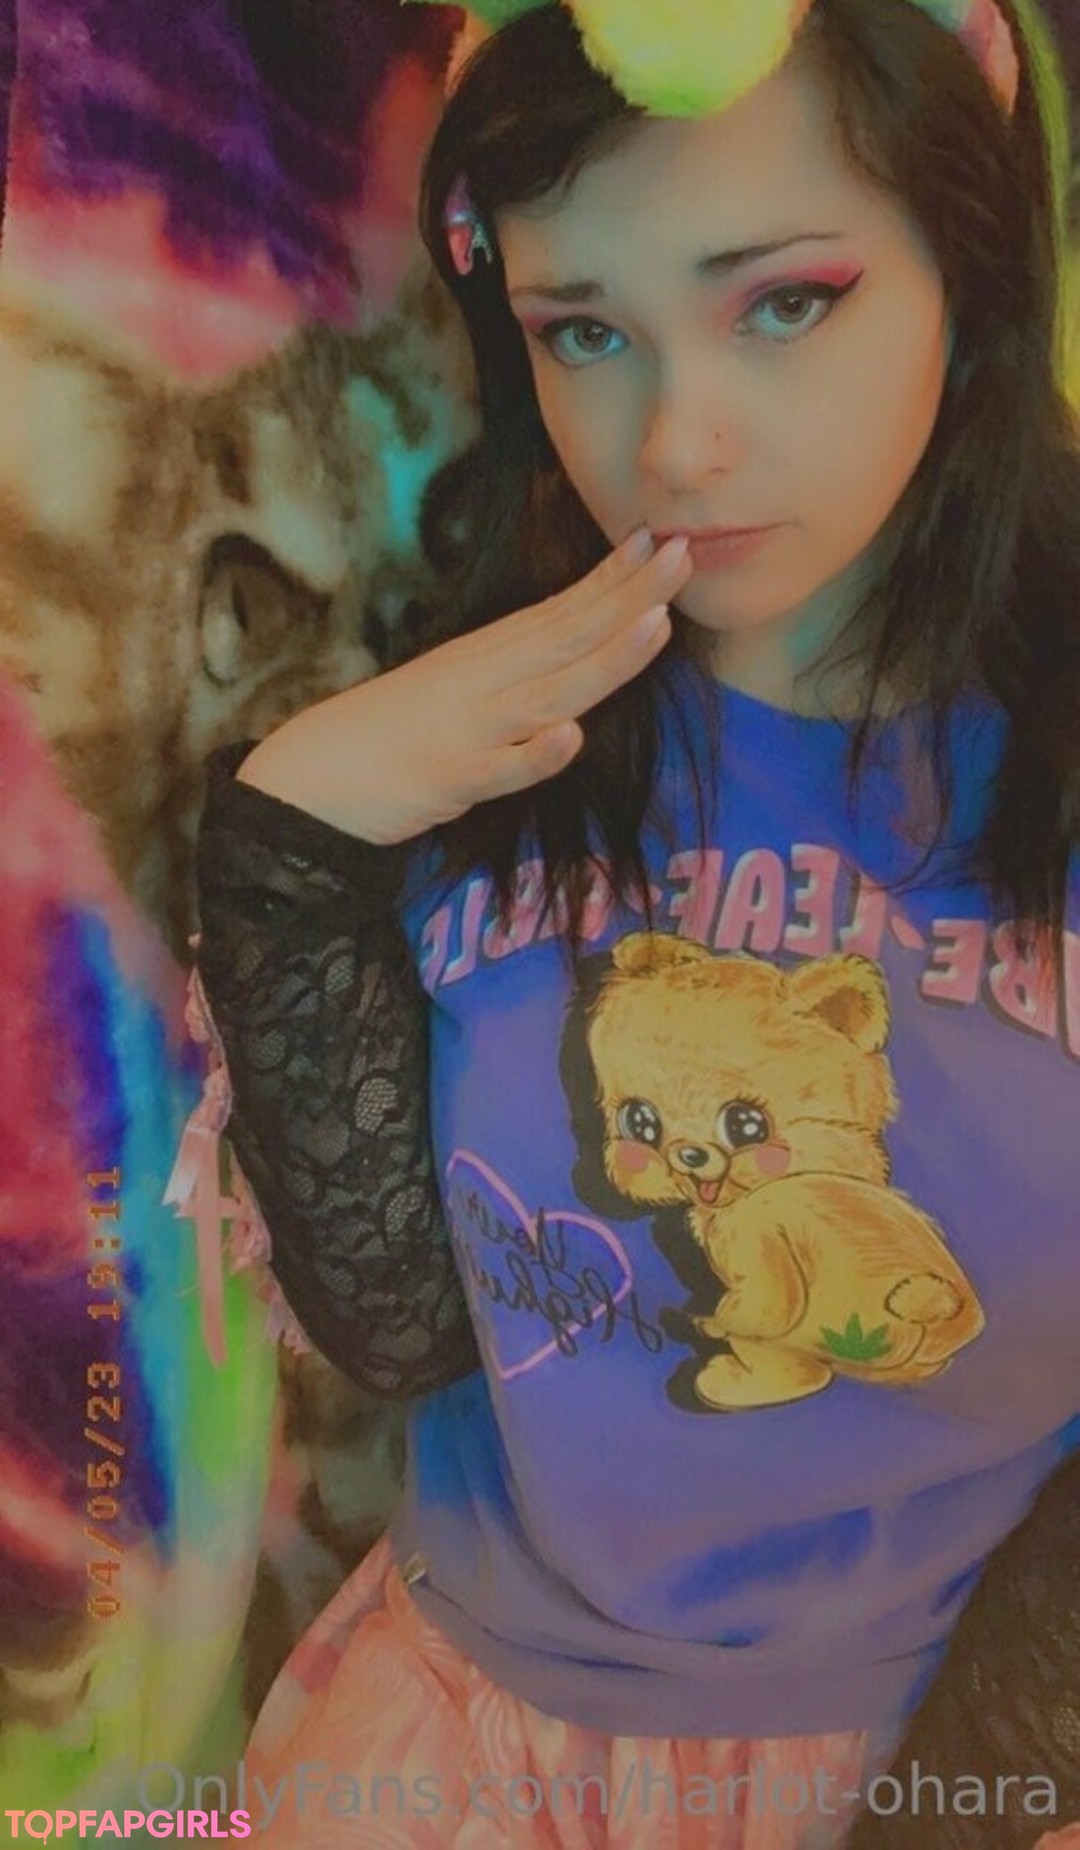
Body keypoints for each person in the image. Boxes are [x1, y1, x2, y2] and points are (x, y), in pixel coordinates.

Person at [181, 0, 1080, 1842]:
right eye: (583, 329)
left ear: (973, 263)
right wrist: (294, 837)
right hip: (454, 1731)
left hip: (944, 1757)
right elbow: (411, 1332)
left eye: (788, 300)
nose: (677, 440)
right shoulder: (489, 738)